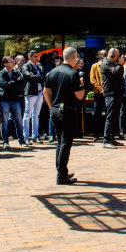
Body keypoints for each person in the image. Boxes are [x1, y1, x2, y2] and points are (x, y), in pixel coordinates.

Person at [43, 47, 85, 185]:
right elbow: (80, 95)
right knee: (66, 142)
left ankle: (61, 170)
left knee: (60, 142)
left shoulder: (52, 71)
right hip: (67, 110)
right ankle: (61, 176)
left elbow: (45, 91)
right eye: (77, 58)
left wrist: (50, 106)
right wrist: (82, 86)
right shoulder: (73, 74)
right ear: (73, 57)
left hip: (55, 109)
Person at [0, 56, 27, 149]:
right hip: (5, 100)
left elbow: (22, 82)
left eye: (13, 61)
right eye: (10, 62)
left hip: (15, 100)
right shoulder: (1, 73)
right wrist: (14, 82)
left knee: (19, 121)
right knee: (5, 121)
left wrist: (11, 83)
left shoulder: (16, 72)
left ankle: (21, 140)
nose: (13, 63)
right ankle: (5, 142)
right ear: (5, 64)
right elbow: (4, 84)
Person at [100, 48, 125, 149]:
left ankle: (111, 138)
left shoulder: (112, 63)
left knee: (114, 117)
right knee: (110, 117)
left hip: (117, 93)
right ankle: (106, 140)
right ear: (113, 56)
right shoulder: (106, 63)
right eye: (118, 56)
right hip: (111, 94)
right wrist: (120, 64)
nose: (119, 58)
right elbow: (115, 72)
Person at [21, 50, 46, 144]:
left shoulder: (38, 66)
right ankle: (26, 136)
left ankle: (35, 135)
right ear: (30, 57)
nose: (37, 58)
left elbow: (41, 76)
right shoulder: (26, 66)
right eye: (35, 56)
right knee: (27, 115)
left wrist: (38, 77)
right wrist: (40, 77)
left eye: (37, 56)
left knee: (36, 115)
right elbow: (29, 77)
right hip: (31, 92)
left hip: (39, 92)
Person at [88, 50, 107, 141]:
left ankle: (108, 134)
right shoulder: (94, 66)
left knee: (109, 114)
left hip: (108, 93)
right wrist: (100, 89)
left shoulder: (110, 65)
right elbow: (92, 79)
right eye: (102, 55)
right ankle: (96, 134)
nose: (103, 56)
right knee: (97, 114)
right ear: (98, 56)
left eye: (105, 55)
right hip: (98, 93)